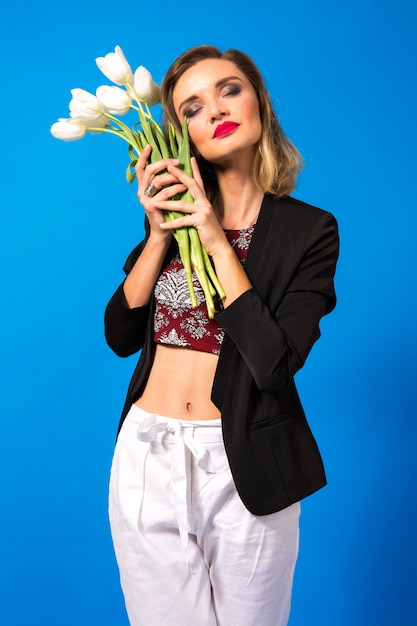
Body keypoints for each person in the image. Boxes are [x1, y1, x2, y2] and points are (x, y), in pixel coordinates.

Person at [105, 45, 339, 626]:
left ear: (258, 99)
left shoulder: (309, 230)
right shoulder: (174, 212)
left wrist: (213, 237)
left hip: (246, 459)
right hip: (146, 454)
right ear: (181, 132)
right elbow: (119, 333)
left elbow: (273, 363)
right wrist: (161, 234)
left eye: (229, 89)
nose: (215, 109)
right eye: (191, 107)